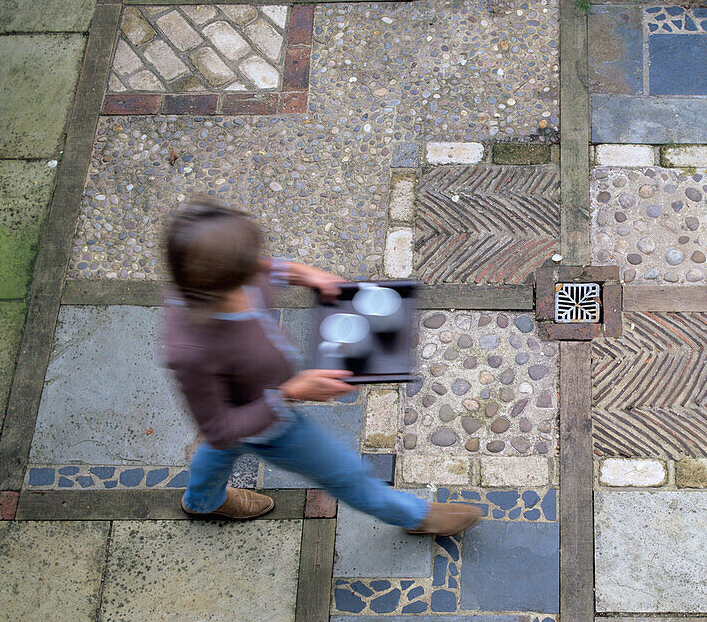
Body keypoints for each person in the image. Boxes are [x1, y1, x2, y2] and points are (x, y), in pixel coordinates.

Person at [161, 199, 481, 535]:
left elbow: (261, 268)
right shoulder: (191, 351)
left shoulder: (217, 277)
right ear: (218, 281)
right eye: (245, 270)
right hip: (269, 424)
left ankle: (201, 500)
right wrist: (288, 393)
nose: (256, 273)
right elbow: (221, 429)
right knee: (345, 473)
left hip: (255, 398)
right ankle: (415, 517)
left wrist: (304, 275)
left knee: (220, 451)